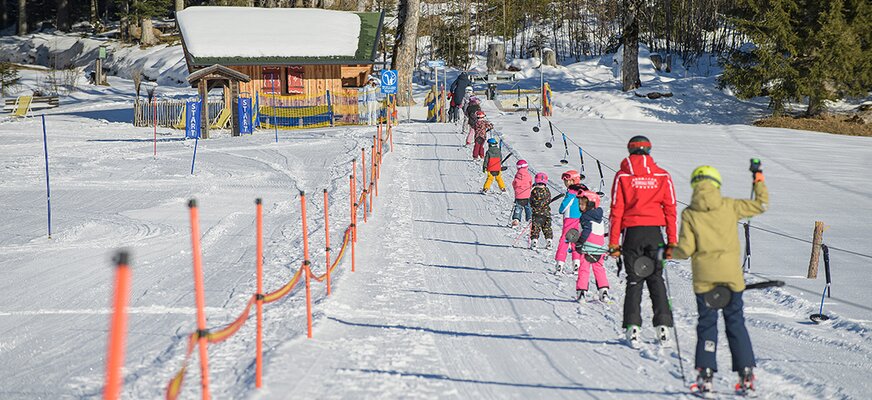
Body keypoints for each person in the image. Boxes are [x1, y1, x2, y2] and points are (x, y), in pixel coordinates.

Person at [671, 164, 768, 396]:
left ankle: (705, 376)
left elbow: (684, 250)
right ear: (717, 184)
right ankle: (746, 376)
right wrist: (758, 178)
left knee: (707, 325)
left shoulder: (690, 213)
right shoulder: (730, 206)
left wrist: (667, 251)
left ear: (695, 184)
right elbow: (760, 205)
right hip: (731, 279)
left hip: (705, 281)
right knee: (736, 324)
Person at [608, 135, 677, 347]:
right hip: (655, 234)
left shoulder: (622, 176)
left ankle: (633, 328)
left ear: (630, 151)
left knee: (634, 280)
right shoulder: (662, 175)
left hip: (632, 234)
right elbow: (671, 209)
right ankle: (663, 328)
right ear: (649, 150)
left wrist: (613, 243)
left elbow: (616, 210)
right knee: (656, 278)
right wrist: (672, 241)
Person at [574, 190, 611, 303]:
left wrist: (580, 242)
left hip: (587, 248)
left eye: (583, 204)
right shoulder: (598, 216)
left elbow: (587, 230)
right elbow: (596, 230)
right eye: (580, 203)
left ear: (590, 204)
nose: (580, 206)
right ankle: (603, 291)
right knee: (599, 269)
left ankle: (582, 292)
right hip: (599, 248)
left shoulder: (585, 216)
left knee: (584, 269)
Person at [555, 170, 584, 274]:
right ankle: (577, 263)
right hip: (580, 219)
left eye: (568, 181)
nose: (566, 183)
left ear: (574, 181)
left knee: (564, 240)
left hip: (570, 219)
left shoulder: (571, 192)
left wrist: (561, 210)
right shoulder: (582, 191)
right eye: (565, 181)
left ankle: (560, 263)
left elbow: (565, 205)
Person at [529, 172, 554, 249]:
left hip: (536, 214)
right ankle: (549, 241)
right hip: (546, 214)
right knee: (547, 228)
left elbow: (531, 200)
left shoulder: (534, 191)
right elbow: (549, 199)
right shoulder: (547, 190)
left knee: (535, 229)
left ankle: (534, 242)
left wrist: (532, 206)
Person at [511, 159, 533, 227]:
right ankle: (530, 218)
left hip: (519, 196)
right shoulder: (528, 175)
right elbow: (530, 183)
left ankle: (516, 219)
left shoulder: (517, 175)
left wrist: (516, 190)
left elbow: (514, 184)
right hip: (527, 195)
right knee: (528, 207)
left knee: (518, 207)